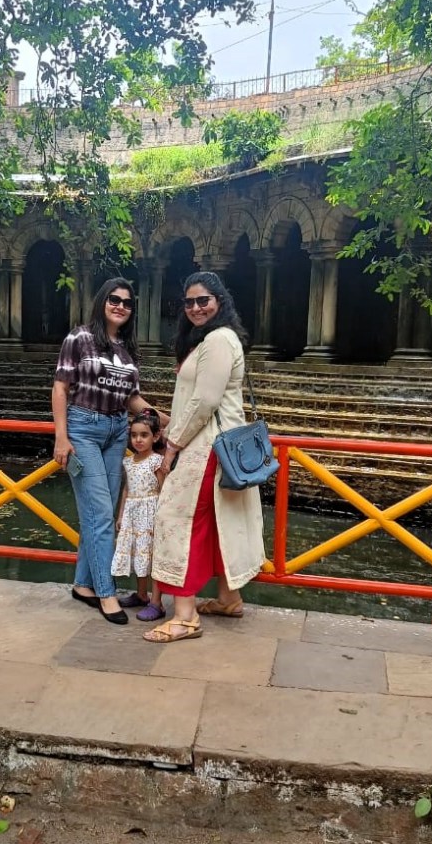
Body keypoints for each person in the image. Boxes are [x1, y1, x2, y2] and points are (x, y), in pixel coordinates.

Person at [143, 271, 265, 644]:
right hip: (214, 445)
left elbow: (205, 401)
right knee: (215, 521)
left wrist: (172, 446)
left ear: (220, 301)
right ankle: (229, 598)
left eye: (203, 300)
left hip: (205, 448)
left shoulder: (218, 340)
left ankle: (184, 616)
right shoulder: (213, 339)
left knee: (179, 522)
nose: (196, 308)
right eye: (190, 302)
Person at [52, 278, 167, 625]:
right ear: (102, 301)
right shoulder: (80, 338)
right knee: (102, 514)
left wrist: (168, 419)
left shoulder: (126, 350)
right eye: (114, 299)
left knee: (98, 513)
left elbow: (131, 400)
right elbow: (60, 386)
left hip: (118, 430)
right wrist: (61, 436)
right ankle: (107, 592)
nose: (120, 306)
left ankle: (84, 584)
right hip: (83, 428)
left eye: (127, 302)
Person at [111, 408, 166, 622]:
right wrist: (121, 515)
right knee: (138, 554)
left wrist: (161, 516)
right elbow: (127, 489)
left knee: (151, 556)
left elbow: (163, 489)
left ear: (156, 436)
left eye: (144, 435)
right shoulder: (128, 461)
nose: (138, 440)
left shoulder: (156, 461)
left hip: (150, 512)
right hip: (133, 513)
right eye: (134, 435)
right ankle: (141, 594)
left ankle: (156, 601)